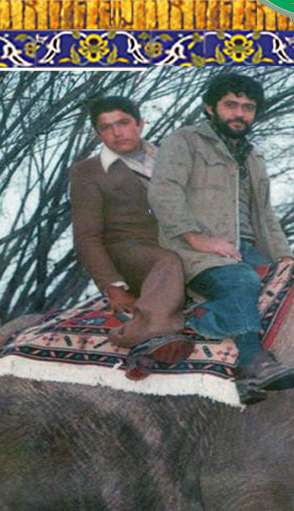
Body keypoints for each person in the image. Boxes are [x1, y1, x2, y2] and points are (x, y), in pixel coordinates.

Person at [149, 73, 294, 399]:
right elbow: (164, 192)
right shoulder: (185, 141)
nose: (239, 113)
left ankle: (245, 383)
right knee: (240, 282)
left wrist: (285, 258)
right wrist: (197, 238)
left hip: (245, 250)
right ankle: (251, 362)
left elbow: (265, 215)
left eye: (248, 107)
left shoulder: (253, 157)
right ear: (210, 107)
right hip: (193, 251)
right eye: (231, 105)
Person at [69, 96, 192, 367]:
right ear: (98, 133)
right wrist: (114, 287)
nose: (117, 132)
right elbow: (87, 237)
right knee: (167, 262)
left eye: (123, 123)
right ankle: (149, 335)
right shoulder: (88, 172)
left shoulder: (171, 160)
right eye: (106, 127)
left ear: (140, 124)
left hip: (179, 242)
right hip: (129, 250)